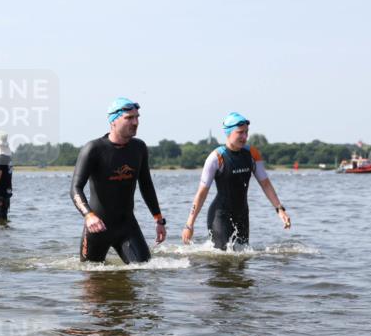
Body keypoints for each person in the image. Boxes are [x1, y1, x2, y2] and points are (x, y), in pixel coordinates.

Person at [70, 97, 166, 263]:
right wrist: (89, 215)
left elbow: (146, 185)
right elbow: (76, 188)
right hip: (98, 227)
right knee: (92, 279)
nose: (135, 122)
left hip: (127, 226)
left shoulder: (139, 148)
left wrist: (159, 219)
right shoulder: (94, 149)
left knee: (144, 271)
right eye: (129, 118)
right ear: (113, 121)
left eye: (137, 117)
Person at [181, 112, 291, 250]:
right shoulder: (216, 158)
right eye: (240, 132)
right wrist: (189, 224)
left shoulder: (252, 154)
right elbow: (201, 193)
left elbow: (265, 184)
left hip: (242, 215)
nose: (245, 137)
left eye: (246, 132)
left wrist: (280, 209)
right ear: (228, 133)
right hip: (220, 215)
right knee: (223, 258)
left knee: (241, 261)